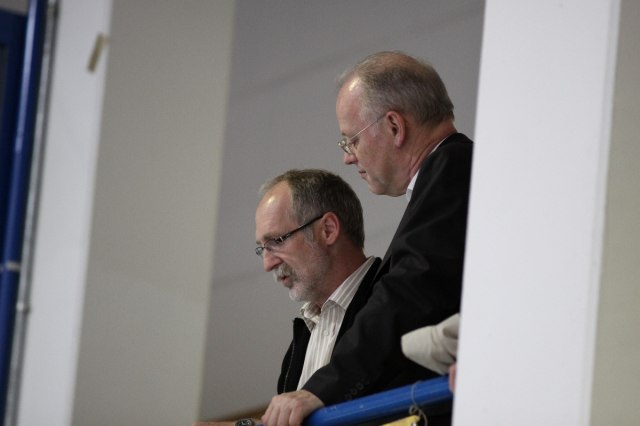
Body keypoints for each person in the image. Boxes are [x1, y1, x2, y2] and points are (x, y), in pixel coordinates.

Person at [261, 51, 473, 426]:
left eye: (350, 141)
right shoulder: (449, 174)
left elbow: (410, 292)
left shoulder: (453, 167)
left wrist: (320, 391)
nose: (348, 157)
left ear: (394, 126)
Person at [194, 169, 381, 426]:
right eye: (262, 249)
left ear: (328, 230)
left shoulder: (398, 301)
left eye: (276, 241)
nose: (267, 264)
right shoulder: (299, 344)